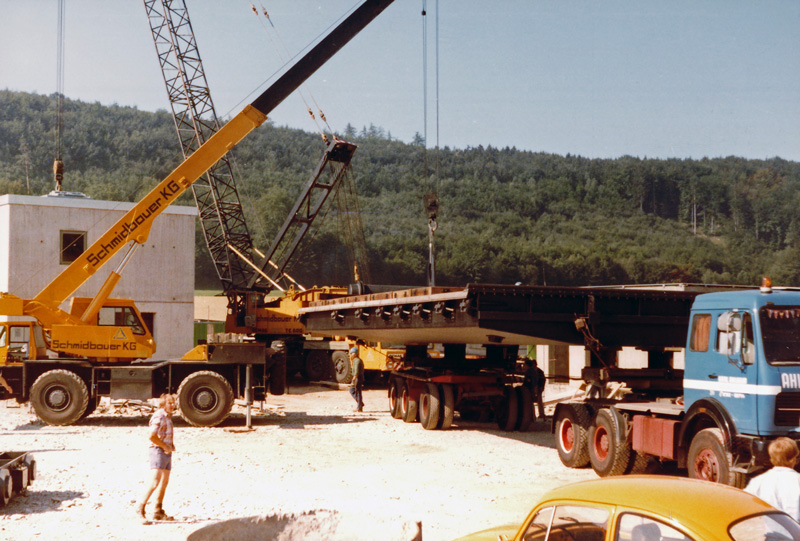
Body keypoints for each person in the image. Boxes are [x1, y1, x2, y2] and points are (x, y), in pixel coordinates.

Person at [137, 393, 176, 521]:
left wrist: (170, 445)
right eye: (170, 402)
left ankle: (158, 510)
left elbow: (164, 433)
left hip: (166, 452)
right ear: (163, 404)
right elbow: (152, 436)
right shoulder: (159, 416)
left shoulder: (168, 417)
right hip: (158, 451)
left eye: (173, 402)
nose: (173, 405)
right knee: (154, 482)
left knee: (164, 482)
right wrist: (164, 446)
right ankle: (140, 507)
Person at [744, 437, 800, 521]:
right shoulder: (797, 480)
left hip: (771, 532)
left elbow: (743, 501)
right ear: (793, 460)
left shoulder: (758, 481)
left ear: (771, 458)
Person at [348, 346, 364, 412]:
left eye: (351, 354)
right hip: (358, 378)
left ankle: (359, 407)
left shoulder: (357, 361)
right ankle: (360, 404)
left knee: (355, 391)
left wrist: (353, 380)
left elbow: (356, 372)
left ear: (354, 354)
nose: (350, 355)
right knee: (356, 392)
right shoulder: (356, 360)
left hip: (358, 378)